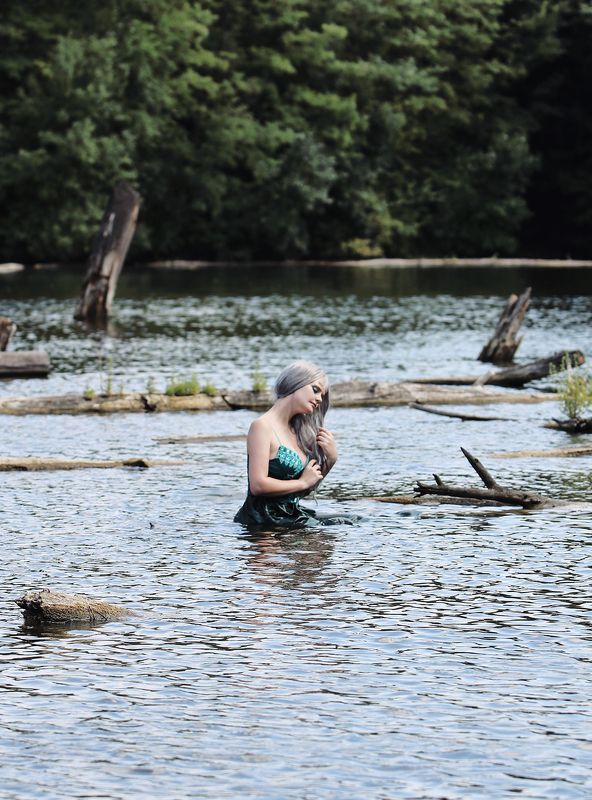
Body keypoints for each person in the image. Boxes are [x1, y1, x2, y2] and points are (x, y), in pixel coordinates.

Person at [234, 360, 351, 527]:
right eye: (316, 390)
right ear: (295, 383)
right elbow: (258, 485)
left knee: (354, 521)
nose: (319, 399)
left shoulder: (299, 432)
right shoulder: (262, 426)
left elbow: (303, 491)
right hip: (263, 519)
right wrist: (302, 482)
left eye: (322, 395)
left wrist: (331, 460)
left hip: (289, 514)